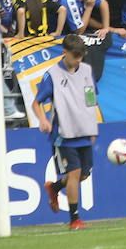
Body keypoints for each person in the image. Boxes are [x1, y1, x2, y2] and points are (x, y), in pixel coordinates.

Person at [33, 33, 98, 230]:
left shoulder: (87, 70)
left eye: (81, 55)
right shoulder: (52, 75)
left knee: (84, 175)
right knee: (74, 172)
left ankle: (54, 188)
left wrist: (93, 126)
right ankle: (74, 219)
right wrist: (43, 119)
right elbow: (36, 103)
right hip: (63, 134)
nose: (78, 59)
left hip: (84, 131)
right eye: (75, 55)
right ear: (65, 53)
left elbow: (90, 100)